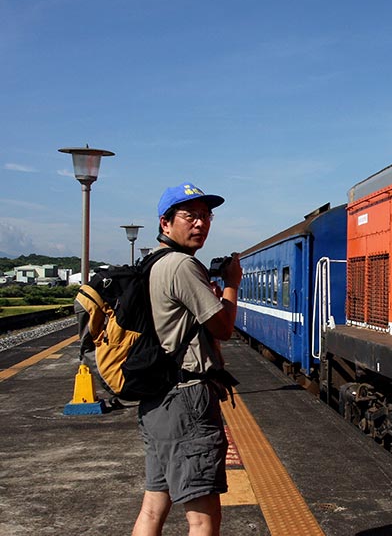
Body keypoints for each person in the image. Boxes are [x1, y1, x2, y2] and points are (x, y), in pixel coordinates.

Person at [132, 182, 242, 536]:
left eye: (206, 215)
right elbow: (224, 328)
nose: (200, 223)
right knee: (203, 518)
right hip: (186, 401)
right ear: (165, 223)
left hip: (157, 400)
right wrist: (232, 285)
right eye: (189, 215)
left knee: (153, 508)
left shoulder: (152, 263)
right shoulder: (182, 266)